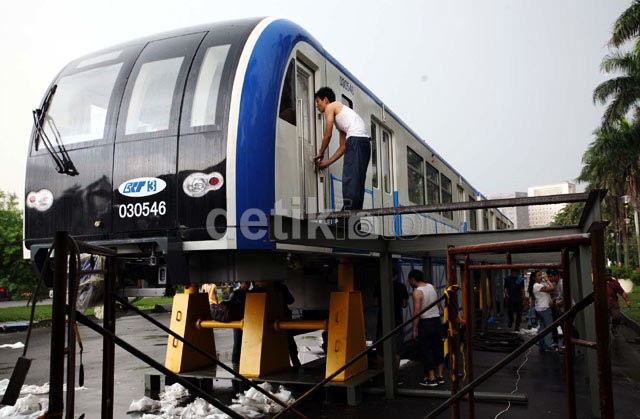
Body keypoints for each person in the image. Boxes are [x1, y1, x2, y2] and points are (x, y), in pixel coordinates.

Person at [313, 87, 371, 213]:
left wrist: (320, 153)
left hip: (355, 142)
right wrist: (326, 163)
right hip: (364, 144)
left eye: (318, 101)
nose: (316, 105)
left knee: (350, 180)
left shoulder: (330, 107)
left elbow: (327, 134)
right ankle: (354, 218)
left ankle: (347, 217)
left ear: (326, 100)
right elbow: (343, 147)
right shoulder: (342, 119)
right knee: (357, 183)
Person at [408, 269, 444, 387]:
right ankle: (440, 375)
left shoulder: (417, 292)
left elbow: (417, 312)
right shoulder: (432, 287)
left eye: (409, 281)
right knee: (438, 347)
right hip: (436, 321)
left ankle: (431, 378)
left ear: (413, 279)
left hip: (425, 323)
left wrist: (414, 329)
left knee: (426, 349)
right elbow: (440, 304)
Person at [373, 268, 409, 369]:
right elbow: (405, 304)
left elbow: (375, 303)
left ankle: (382, 372)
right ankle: (395, 373)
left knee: (381, 349)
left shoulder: (379, 285)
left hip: (382, 319)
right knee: (397, 349)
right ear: (396, 276)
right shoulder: (401, 286)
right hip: (397, 319)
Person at [528, 270, 555, 352]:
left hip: (539, 308)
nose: (541, 277)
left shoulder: (536, 285)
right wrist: (547, 280)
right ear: (534, 278)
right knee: (549, 327)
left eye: (541, 275)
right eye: (539, 275)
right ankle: (548, 345)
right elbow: (552, 288)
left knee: (543, 327)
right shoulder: (537, 285)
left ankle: (542, 344)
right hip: (544, 309)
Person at [606, 269, 632, 337]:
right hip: (603, 304)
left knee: (617, 317)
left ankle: (614, 328)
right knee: (604, 321)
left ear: (611, 275)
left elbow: (622, 292)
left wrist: (627, 301)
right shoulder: (599, 282)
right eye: (606, 275)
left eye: (609, 275)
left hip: (613, 303)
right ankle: (606, 335)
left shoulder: (615, 283)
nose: (607, 276)